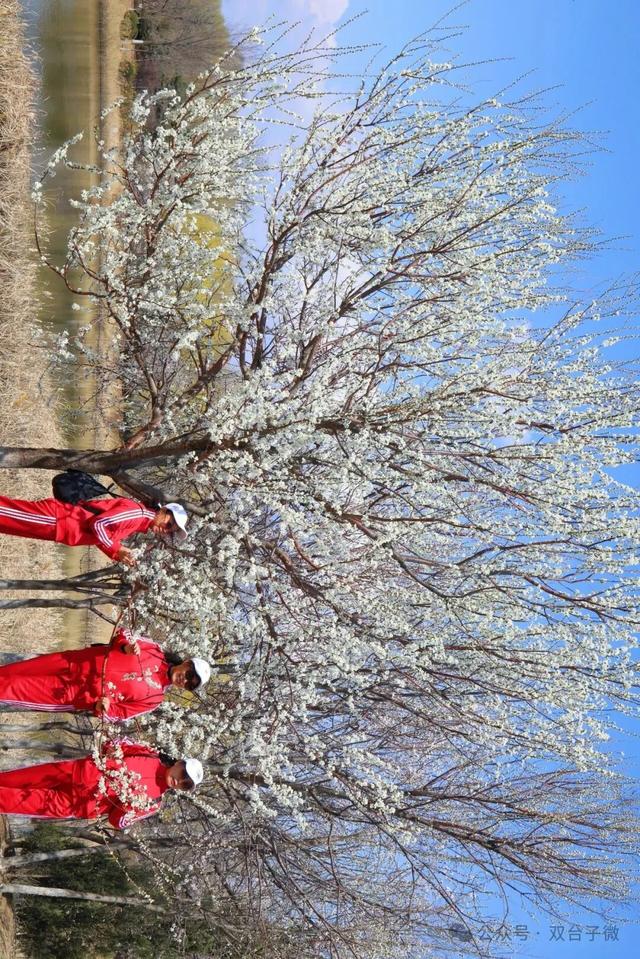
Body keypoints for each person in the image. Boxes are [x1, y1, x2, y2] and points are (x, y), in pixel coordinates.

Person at [0, 629, 211, 721]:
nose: (186, 680)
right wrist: (126, 646)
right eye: (190, 673)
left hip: (72, 693)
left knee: (10, 689)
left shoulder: (154, 699)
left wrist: (106, 708)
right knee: (11, 672)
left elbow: (119, 714)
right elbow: (124, 633)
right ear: (186, 663)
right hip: (75, 662)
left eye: (191, 685)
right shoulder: (154, 649)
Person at [0, 739, 204, 830]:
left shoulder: (153, 803)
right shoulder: (150, 753)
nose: (179, 781)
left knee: (14, 801)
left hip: (78, 803)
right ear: (179, 763)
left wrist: (129, 808)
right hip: (74, 772)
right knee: (14, 779)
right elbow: (114, 743)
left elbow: (118, 822)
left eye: (185, 785)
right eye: (183, 774)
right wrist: (113, 751)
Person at [0, 494, 189, 567]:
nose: (166, 530)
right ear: (165, 511)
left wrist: (117, 552)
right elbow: (98, 524)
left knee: (6, 523)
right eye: (170, 524)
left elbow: (101, 535)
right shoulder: (139, 515)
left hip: (60, 528)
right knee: (5, 513)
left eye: (170, 532)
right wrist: (116, 548)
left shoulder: (140, 523)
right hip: (59, 519)